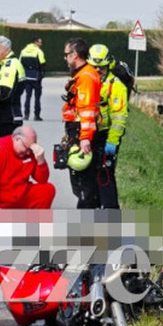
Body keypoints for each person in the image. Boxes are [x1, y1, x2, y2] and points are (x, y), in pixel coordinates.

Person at [0, 125, 55, 227]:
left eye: (31, 148)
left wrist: (41, 161)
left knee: (48, 190)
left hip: (19, 196)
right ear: (17, 139)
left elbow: (42, 180)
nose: (28, 152)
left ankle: (31, 224)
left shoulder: (30, 152)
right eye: (26, 148)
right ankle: (15, 220)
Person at [61, 37, 102, 209]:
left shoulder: (85, 77)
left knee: (84, 185)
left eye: (66, 54)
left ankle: (85, 225)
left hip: (82, 134)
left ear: (75, 55)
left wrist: (84, 138)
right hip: (76, 131)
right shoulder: (82, 75)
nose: (65, 58)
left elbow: (86, 110)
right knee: (85, 184)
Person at [88, 44, 128, 209]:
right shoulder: (85, 80)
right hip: (88, 135)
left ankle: (111, 215)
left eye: (101, 67)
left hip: (107, 135)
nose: (98, 70)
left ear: (108, 65)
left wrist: (112, 142)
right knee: (87, 176)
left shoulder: (116, 85)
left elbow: (119, 118)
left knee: (105, 175)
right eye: (94, 66)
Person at [0, 35, 25, 140]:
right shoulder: (4, 64)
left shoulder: (10, 65)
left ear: (7, 50)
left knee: (0, 153)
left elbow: (4, 93)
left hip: (6, 119)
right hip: (6, 118)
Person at [19, 37, 45, 120]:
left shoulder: (23, 51)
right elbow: (42, 64)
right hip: (36, 77)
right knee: (37, 97)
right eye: (40, 42)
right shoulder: (38, 51)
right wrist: (42, 74)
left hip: (27, 76)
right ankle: (36, 115)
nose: (41, 44)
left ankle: (26, 115)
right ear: (36, 42)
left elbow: (20, 63)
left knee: (27, 96)